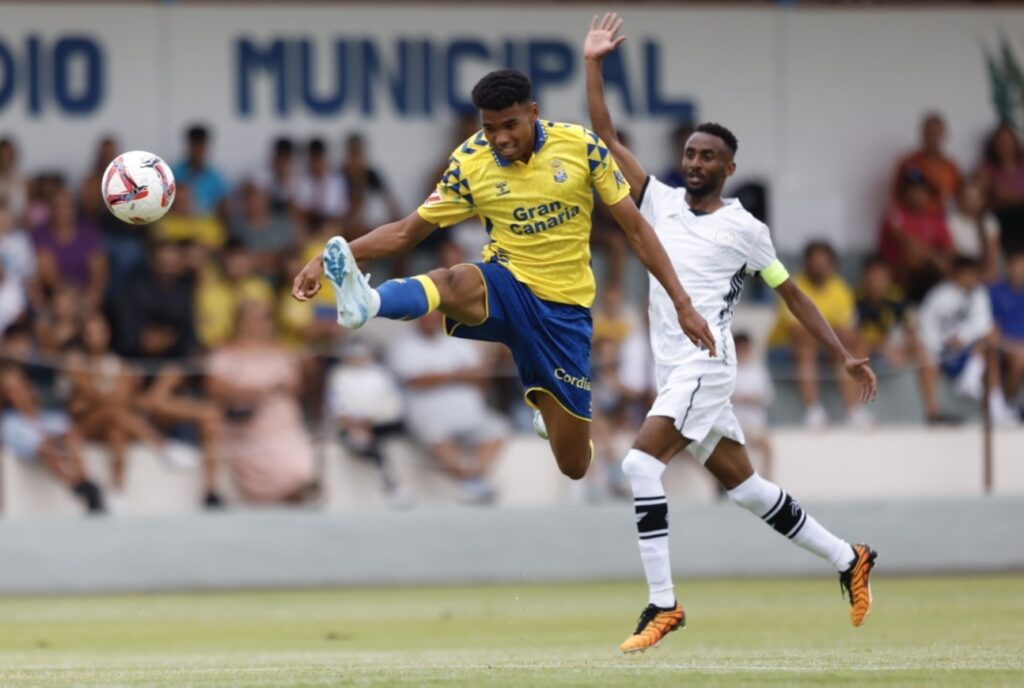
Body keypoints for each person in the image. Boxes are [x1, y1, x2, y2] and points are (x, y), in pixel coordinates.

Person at [584, 13, 878, 653]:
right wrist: (594, 64)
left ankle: (663, 605)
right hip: (675, 368)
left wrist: (844, 355)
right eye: (689, 152)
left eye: (707, 156)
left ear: (729, 166)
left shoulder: (745, 229)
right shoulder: (657, 199)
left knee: (638, 465)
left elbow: (791, 293)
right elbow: (602, 135)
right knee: (746, 489)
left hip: (704, 365)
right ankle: (847, 556)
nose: (694, 162)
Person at [292, 67, 715, 484]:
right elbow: (406, 231)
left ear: (533, 112)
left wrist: (682, 303)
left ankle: (551, 416)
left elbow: (638, 231)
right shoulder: (470, 161)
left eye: (509, 125)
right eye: (489, 127)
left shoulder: (581, 147)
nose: (500, 138)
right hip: (507, 283)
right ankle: (371, 301)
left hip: (564, 314)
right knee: (449, 280)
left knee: (573, 465)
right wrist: (339, 253)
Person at [386, 311, 506, 504]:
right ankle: (470, 481)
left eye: (436, 316)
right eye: (427, 316)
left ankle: (477, 479)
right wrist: (458, 375)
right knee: (436, 433)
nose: (432, 320)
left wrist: (442, 376)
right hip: (426, 412)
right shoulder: (404, 345)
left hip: (468, 411)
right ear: (417, 318)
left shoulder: (458, 340)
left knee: (496, 427)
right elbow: (415, 380)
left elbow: (480, 375)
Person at [206, 300, 316, 504]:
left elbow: (296, 388)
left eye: (266, 318)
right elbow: (215, 387)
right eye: (255, 318)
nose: (261, 323)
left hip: (284, 421)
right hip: (246, 424)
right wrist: (258, 392)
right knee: (281, 477)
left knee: (302, 471)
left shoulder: (283, 350)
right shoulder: (228, 351)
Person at [0, 323, 104, 514]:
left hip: (51, 436)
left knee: (68, 435)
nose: (17, 393)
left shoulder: (48, 410)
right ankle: (80, 485)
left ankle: (83, 482)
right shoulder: (10, 423)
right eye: (10, 390)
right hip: (38, 445)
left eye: (18, 386)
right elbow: (40, 445)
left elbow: (67, 432)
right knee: (46, 446)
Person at [767, 241, 871, 428]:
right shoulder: (794, 285)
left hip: (825, 346)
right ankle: (813, 411)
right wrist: (830, 336)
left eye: (824, 264)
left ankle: (854, 411)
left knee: (848, 349)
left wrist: (833, 341)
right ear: (806, 264)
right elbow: (797, 331)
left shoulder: (840, 288)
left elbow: (849, 332)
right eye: (815, 264)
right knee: (806, 346)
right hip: (785, 348)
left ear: (832, 265)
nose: (819, 268)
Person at [917, 256, 1016, 425]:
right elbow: (925, 327)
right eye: (967, 274)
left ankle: (993, 404)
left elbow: (983, 323)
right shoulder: (938, 295)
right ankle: (934, 413)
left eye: (973, 274)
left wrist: (962, 337)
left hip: (969, 353)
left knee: (991, 340)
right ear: (957, 274)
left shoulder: (979, 293)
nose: (970, 278)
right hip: (943, 353)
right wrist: (945, 342)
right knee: (922, 351)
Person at [854, 255, 942, 423]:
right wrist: (883, 350)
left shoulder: (897, 298)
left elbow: (911, 331)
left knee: (922, 352)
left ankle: (933, 412)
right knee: (858, 347)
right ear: (865, 278)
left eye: (881, 277)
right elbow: (854, 337)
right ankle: (856, 411)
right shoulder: (856, 299)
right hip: (869, 351)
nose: (877, 282)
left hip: (895, 349)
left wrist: (910, 350)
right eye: (873, 277)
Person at [879, 169, 954, 302]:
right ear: (903, 193)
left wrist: (940, 261)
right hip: (900, 277)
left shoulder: (935, 217)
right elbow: (909, 244)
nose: (915, 194)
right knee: (912, 258)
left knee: (951, 267)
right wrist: (935, 259)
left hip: (931, 274)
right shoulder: (895, 213)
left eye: (920, 190)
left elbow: (950, 248)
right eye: (911, 190)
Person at [891, 113, 961, 215]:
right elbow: (897, 197)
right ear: (922, 133)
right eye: (929, 132)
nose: (932, 137)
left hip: (941, 222)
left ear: (944, 135)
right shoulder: (909, 162)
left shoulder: (951, 167)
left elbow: (957, 198)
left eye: (937, 133)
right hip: (913, 222)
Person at [975, 122, 1024, 256]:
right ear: (994, 145)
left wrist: (1009, 196)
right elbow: (976, 198)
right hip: (998, 215)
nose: (1005, 146)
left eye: (1008, 142)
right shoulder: (986, 167)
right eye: (1001, 142)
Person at [731, 332, 774, 480]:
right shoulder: (729, 370)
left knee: (766, 445)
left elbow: (766, 397)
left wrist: (746, 398)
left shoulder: (758, 370)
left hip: (754, 422)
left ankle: (767, 477)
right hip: (733, 423)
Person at [171, 125, 230, 222]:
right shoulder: (173, 174)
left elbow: (223, 209)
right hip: (177, 228)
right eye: (194, 145)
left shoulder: (216, 178)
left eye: (201, 146)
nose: (198, 150)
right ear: (188, 145)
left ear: (207, 147)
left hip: (206, 231)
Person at [990, 250, 1024, 416]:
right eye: (1015, 265)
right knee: (1019, 357)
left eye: (1022, 265)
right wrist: (1009, 344)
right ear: (1008, 267)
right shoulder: (995, 291)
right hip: (1003, 345)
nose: (1018, 270)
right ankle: (1009, 404)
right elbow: (991, 328)